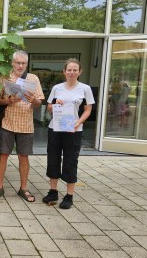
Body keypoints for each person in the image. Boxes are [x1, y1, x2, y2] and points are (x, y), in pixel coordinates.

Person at [0, 50, 44, 202]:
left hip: (26, 125)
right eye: (18, 63)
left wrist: (33, 100)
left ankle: (24, 188)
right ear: (12, 63)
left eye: (23, 63)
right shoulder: (4, 78)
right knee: (3, 155)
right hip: (7, 123)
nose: (20, 66)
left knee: (24, 156)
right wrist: (8, 101)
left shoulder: (33, 78)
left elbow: (39, 102)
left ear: (27, 64)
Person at [43, 58, 94, 209]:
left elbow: (88, 110)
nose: (72, 73)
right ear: (64, 72)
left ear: (80, 72)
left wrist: (78, 123)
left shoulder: (85, 89)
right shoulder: (56, 88)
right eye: (69, 70)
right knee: (53, 158)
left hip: (74, 129)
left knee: (71, 160)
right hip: (55, 128)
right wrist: (54, 105)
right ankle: (53, 191)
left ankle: (69, 195)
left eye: (75, 70)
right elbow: (49, 108)